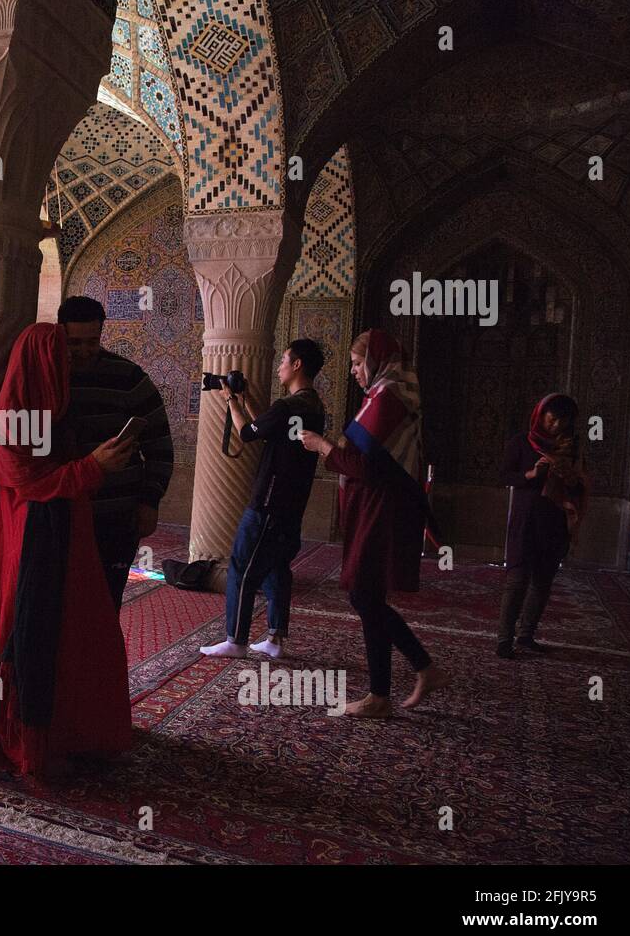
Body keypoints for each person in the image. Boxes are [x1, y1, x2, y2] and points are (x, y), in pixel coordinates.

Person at [0, 323, 136, 776]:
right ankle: (32, 744)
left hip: (62, 533)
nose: (70, 364)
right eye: (61, 356)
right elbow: (28, 482)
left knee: (73, 636)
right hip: (31, 541)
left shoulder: (52, 411)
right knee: (30, 637)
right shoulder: (14, 417)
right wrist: (91, 467)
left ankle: (70, 735)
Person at [300, 329, 449, 717]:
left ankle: (406, 678)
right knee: (367, 595)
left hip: (383, 508)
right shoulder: (387, 395)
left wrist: (322, 446)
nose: (353, 371)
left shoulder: (389, 398)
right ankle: (395, 685)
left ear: (375, 361)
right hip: (379, 506)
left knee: (364, 593)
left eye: (355, 363)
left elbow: (366, 467)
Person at [200, 339, 326, 660]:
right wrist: (245, 401)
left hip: (268, 504)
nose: (280, 365)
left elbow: (246, 434)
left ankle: (235, 640)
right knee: (277, 568)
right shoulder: (311, 406)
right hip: (292, 504)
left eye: (284, 359)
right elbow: (269, 429)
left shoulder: (288, 407)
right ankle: (275, 638)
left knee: (241, 567)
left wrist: (230, 400)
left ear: (297, 365)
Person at [58, 296, 174, 610]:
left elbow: (160, 446)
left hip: (116, 519)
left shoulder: (128, 378)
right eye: (74, 343)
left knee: (106, 603)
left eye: (92, 342)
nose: (83, 351)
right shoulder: (51, 378)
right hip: (63, 515)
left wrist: (150, 501)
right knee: (64, 604)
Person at [496, 393, 588, 658]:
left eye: (564, 420)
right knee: (517, 580)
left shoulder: (571, 449)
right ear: (541, 414)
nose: (557, 425)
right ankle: (504, 640)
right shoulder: (522, 443)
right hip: (526, 520)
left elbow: (581, 485)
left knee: (542, 582)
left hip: (555, 522)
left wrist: (571, 479)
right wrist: (532, 474)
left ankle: (526, 636)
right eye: (553, 418)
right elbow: (504, 475)